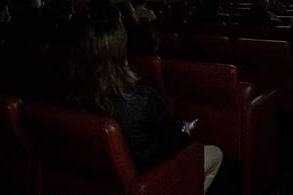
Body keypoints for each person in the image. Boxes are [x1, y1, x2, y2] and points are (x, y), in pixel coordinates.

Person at [66, 20, 222, 192]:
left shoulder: (73, 99)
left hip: (106, 180)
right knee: (215, 153)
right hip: (153, 176)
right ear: (122, 54)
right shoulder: (143, 99)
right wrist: (186, 128)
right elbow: (173, 140)